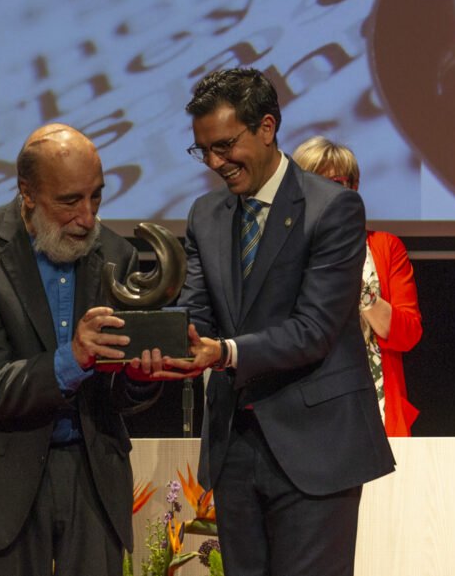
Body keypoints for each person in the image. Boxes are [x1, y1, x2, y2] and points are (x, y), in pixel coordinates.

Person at [161, 68, 395, 576]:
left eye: (224, 145)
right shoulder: (206, 215)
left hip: (316, 447)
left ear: (266, 128)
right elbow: (196, 312)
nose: (215, 162)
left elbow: (314, 329)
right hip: (236, 447)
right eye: (203, 150)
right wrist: (158, 340)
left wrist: (222, 353)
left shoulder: (333, 208)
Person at [0, 124, 162, 576]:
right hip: (4, 481)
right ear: (27, 193)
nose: (88, 217)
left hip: (92, 477)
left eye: (96, 196)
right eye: (70, 200)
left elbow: (118, 395)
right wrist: (72, 359)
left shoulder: (117, 254)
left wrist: (138, 378)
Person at [293, 137, 423, 436]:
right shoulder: (283, 252)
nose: (326, 192)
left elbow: (408, 334)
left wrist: (361, 291)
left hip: (372, 404)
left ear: (353, 187)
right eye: (314, 181)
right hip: (305, 407)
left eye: (336, 182)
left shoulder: (386, 248)